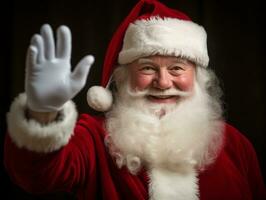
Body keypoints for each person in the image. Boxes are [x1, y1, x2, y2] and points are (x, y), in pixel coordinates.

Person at [4, 0, 266, 199]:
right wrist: (43, 114)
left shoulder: (236, 144)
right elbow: (36, 177)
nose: (163, 83)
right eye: (147, 68)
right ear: (122, 78)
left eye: (177, 68)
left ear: (198, 79)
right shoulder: (94, 138)